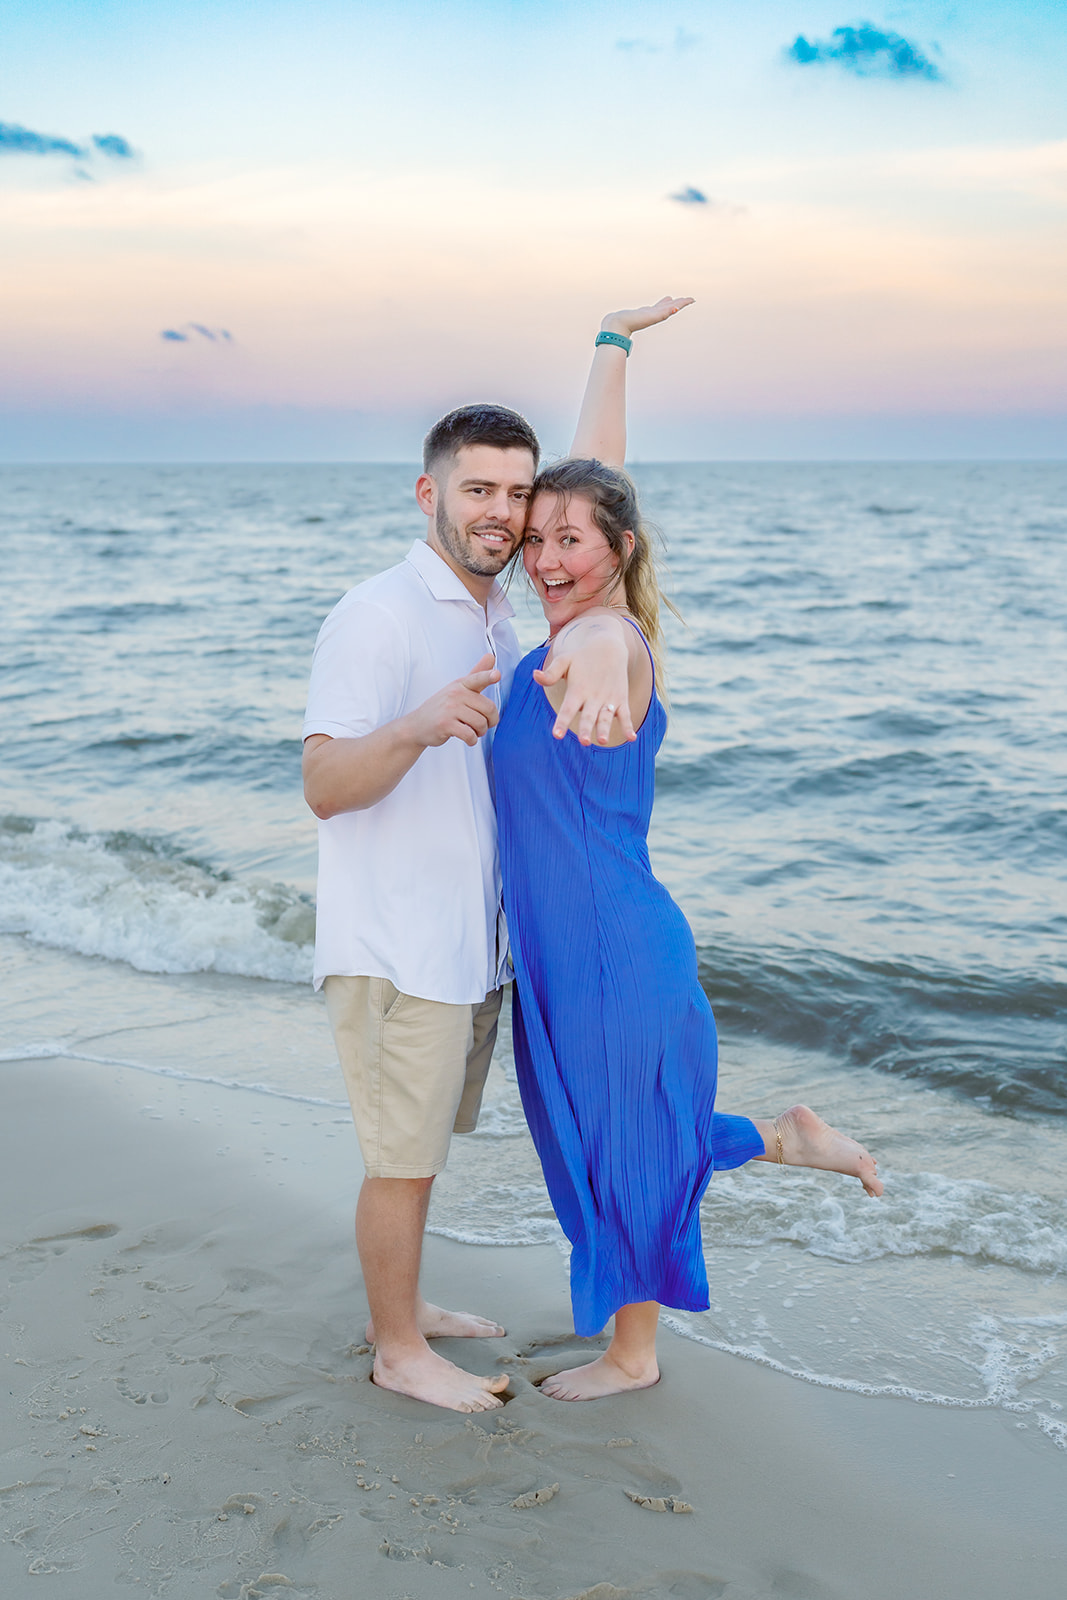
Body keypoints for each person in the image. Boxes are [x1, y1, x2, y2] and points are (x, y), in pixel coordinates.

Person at [494, 298, 883, 1402]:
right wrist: (611, 344)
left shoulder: (606, 641)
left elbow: (609, 645)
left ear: (619, 551)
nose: (545, 557)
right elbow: (591, 474)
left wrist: (601, 666)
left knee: (621, 1144)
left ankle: (633, 1352)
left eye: (568, 541)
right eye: (534, 539)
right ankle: (782, 1136)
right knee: (600, 1130)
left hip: (615, 949)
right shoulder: (569, 623)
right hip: (576, 946)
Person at [302, 403, 540, 1413]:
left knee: (422, 1146)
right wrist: (415, 724)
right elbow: (322, 783)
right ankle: (396, 1349)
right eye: (478, 488)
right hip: (395, 944)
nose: (499, 511)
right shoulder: (380, 614)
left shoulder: (492, 612)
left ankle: (398, 1307)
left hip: (461, 942)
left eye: (517, 493)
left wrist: (610, 346)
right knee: (398, 1156)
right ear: (429, 491)